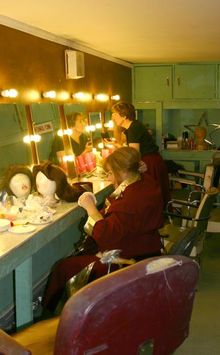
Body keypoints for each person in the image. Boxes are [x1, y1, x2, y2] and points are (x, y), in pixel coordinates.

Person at [42, 147, 164, 314]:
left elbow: (105, 237)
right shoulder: (146, 184)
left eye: (111, 173)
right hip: (148, 247)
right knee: (81, 255)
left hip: (128, 260)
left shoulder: (131, 201)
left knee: (63, 268)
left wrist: (90, 208)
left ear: (122, 172)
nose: (109, 177)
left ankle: (57, 319)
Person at [110, 101, 170, 207]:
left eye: (115, 114)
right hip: (152, 160)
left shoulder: (133, 129)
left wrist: (117, 147)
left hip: (148, 163)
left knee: (149, 195)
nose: (112, 117)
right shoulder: (134, 126)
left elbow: (133, 155)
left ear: (124, 116)